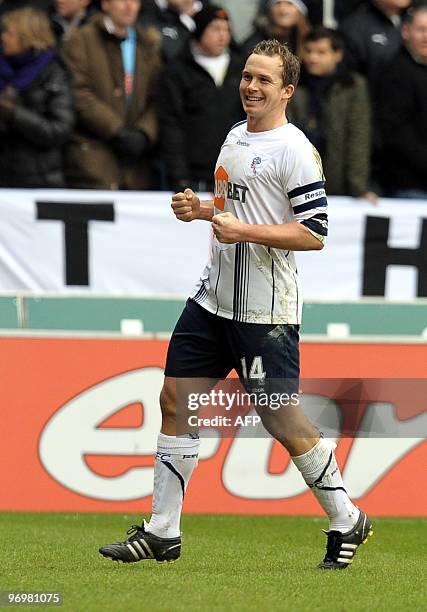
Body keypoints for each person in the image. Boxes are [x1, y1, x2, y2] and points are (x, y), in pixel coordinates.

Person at [99, 38, 373, 571]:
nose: (251, 85)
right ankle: (162, 531)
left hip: (264, 312)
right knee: (175, 400)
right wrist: (199, 209)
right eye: (248, 76)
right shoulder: (234, 136)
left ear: (287, 91)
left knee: (282, 420)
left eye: (264, 80)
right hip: (212, 300)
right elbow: (232, 210)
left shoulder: (296, 150)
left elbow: (315, 233)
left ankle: (347, 517)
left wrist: (240, 227)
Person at [62, 0, 162, 190]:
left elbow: (159, 97)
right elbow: (78, 92)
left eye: (134, 1)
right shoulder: (81, 40)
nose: (129, 6)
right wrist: (116, 131)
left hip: (136, 165)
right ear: (106, 4)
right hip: (92, 157)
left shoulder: (148, 44)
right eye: (122, 0)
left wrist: (144, 133)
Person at [157, 4, 245, 192]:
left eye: (226, 29)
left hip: (235, 173)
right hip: (192, 176)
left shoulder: (242, 68)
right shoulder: (178, 70)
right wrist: (179, 174)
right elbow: (171, 124)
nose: (222, 35)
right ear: (199, 30)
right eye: (215, 28)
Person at [289, 26, 376, 201]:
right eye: (308, 51)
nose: (313, 58)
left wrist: (357, 187)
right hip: (296, 182)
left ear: (338, 55)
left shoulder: (353, 86)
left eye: (321, 52)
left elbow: (358, 136)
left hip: (339, 182)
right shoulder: (293, 85)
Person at [0, 7, 74, 187]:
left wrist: (13, 113)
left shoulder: (53, 72)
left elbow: (59, 130)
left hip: (39, 180)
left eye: (10, 33)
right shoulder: (3, 68)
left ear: (27, 37)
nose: (3, 38)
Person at [377, 3, 427, 198]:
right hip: (409, 186)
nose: (426, 37)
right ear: (406, 31)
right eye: (421, 30)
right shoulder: (395, 72)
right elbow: (396, 133)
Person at [243, 0, 311, 57]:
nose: (282, 9)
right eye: (277, 3)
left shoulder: (312, 41)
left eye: (290, 3)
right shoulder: (255, 44)